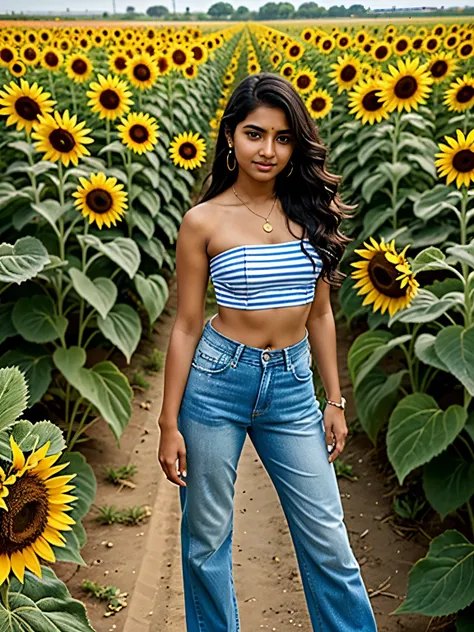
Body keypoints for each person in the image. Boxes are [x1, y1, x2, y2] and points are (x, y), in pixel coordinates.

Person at [157, 72, 378, 631]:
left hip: (291, 386)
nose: (269, 150)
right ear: (231, 135)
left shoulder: (313, 211)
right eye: (256, 134)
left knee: (328, 540)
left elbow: (322, 314)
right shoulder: (202, 221)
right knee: (206, 542)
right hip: (216, 384)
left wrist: (335, 399)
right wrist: (167, 423)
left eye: (283, 138)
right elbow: (184, 326)